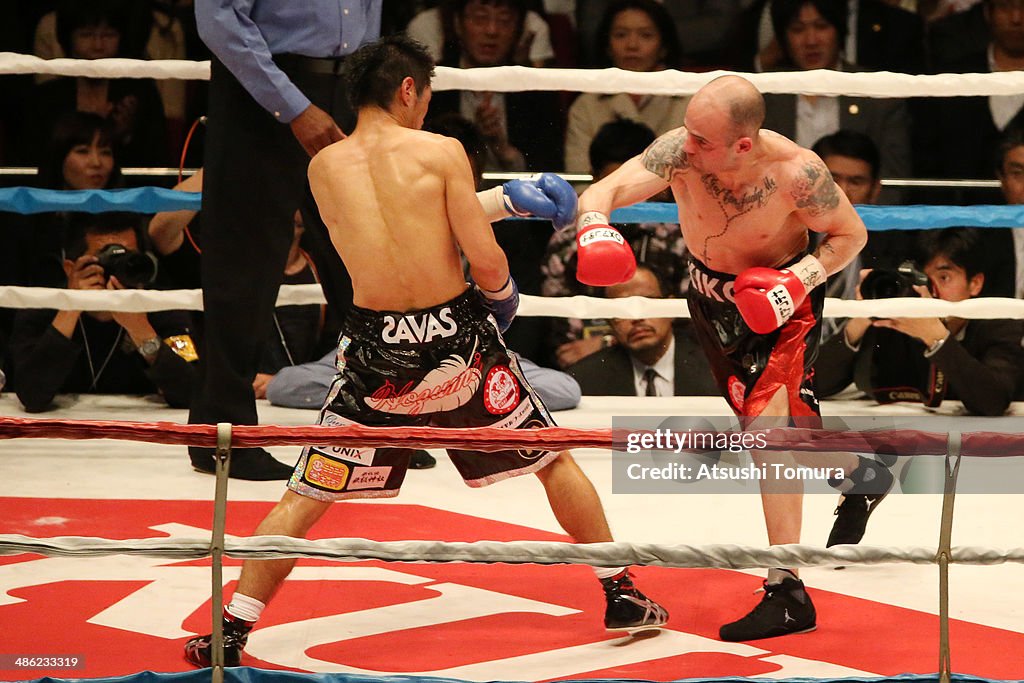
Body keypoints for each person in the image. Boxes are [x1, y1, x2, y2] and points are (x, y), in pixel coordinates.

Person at [183, 35, 667, 668]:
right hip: (456, 338)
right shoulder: (441, 151)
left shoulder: (323, 166)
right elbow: (483, 255)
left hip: (372, 348)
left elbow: (387, 226)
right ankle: (620, 591)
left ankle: (231, 629)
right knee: (550, 458)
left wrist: (498, 202)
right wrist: (501, 298)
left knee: (309, 488)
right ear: (409, 89)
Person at [575, 74, 879, 642]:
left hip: (783, 303)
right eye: (688, 132)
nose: (686, 147)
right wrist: (594, 224)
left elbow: (849, 235)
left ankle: (787, 590)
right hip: (710, 301)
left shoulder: (795, 172)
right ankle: (861, 475)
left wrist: (798, 279)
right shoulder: (681, 151)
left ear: (744, 143)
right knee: (788, 432)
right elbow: (604, 191)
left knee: (771, 438)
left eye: (702, 140)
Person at [815, 228, 1024, 417]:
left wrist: (935, 337)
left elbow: (993, 402)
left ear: (975, 283)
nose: (930, 290)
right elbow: (815, 385)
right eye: (922, 278)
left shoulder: (999, 325)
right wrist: (861, 318)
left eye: (944, 277)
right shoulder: (895, 319)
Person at [8, 213, 198, 412]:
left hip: (137, 431)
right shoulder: (39, 306)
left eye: (128, 257)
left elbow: (191, 394)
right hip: (59, 430)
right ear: (70, 268)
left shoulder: (163, 306)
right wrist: (71, 308)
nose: (117, 268)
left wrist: (142, 331)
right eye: (107, 259)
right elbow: (31, 396)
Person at [543, 118, 689, 369]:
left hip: (672, 361)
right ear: (596, 180)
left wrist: (608, 341)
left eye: (634, 189)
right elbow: (565, 341)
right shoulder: (568, 242)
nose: (625, 199)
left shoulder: (680, 235)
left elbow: (694, 323)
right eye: (613, 187)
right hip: (592, 369)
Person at [759, 0, 913, 191]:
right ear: (783, 38)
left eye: (821, 26)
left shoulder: (878, 94)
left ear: (840, 29)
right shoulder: (763, 94)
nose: (811, 40)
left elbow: (893, 184)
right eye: (798, 29)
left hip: (862, 217)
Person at [425, 0, 565, 172]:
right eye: (480, 18)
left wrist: (504, 150)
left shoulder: (538, 92)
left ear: (518, 29)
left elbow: (551, 169)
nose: (492, 30)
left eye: (504, 21)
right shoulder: (432, 84)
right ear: (458, 24)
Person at [563, 0, 690, 175]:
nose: (632, 45)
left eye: (646, 35)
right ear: (607, 46)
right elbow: (579, 180)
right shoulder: (585, 105)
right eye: (621, 35)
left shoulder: (691, 102)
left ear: (664, 47)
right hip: (602, 201)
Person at [265, 348, 583, 411]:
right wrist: (378, 389)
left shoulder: (478, 350)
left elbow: (566, 390)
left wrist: (474, 386)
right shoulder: (369, 351)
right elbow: (283, 386)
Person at [567, 265, 717, 396]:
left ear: (670, 307)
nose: (636, 317)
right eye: (622, 309)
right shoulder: (585, 378)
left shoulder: (716, 369)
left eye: (647, 303)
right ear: (609, 322)